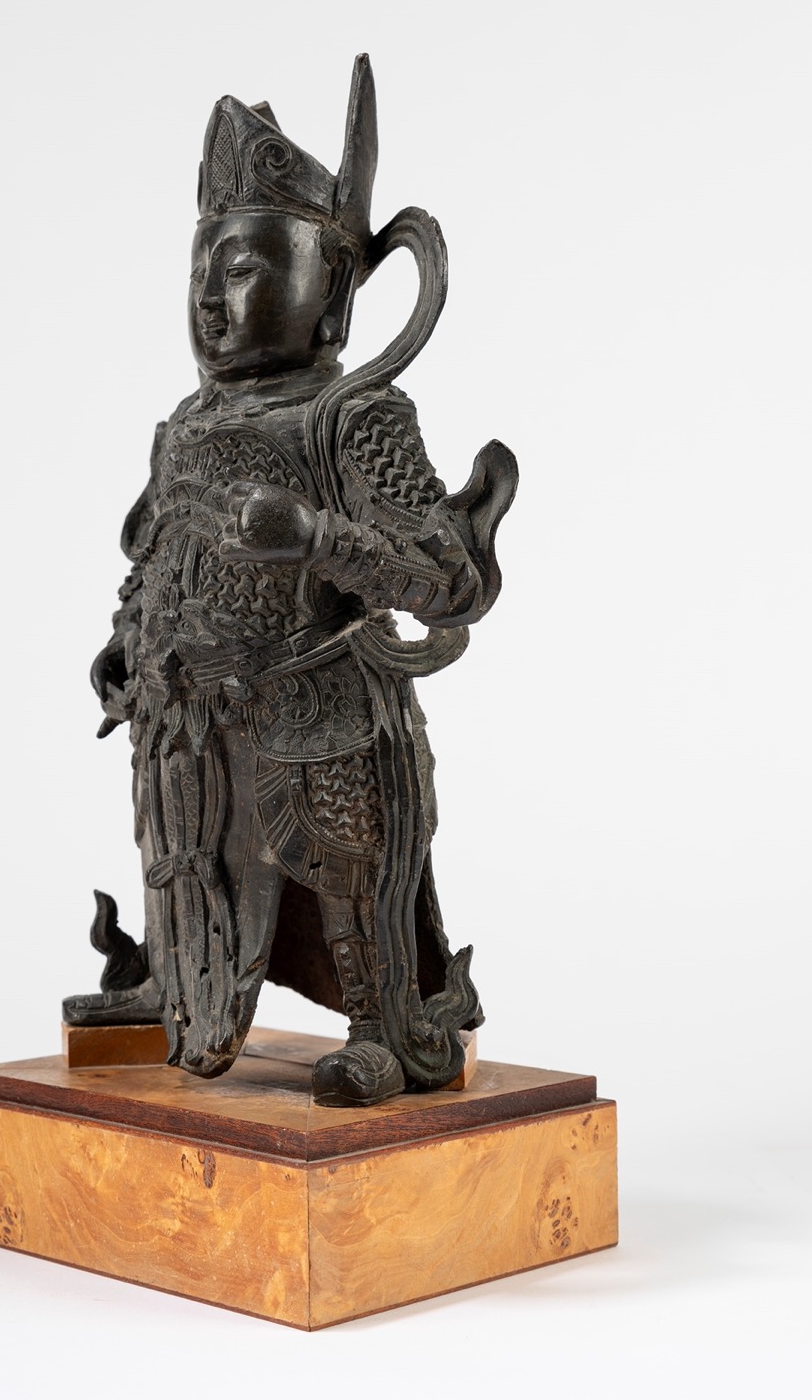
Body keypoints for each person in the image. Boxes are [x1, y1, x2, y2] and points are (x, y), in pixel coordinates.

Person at [64, 56, 518, 1106]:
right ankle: (176, 984)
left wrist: (320, 539)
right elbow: (155, 556)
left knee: (344, 870)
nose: (209, 301)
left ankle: (382, 1024)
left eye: (240, 271)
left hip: (317, 713)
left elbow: (448, 581)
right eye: (201, 272)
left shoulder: (351, 419)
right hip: (185, 720)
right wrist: (126, 642)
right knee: (183, 855)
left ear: (329, 295)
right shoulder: (188, 423)